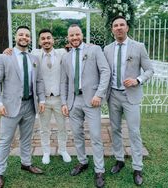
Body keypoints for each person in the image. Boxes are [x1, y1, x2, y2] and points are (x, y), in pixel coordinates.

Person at [0, 26, 45, 188]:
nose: (24, 37)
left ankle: (26, 163)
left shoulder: (34, 59)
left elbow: (39, 81)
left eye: (27, 35)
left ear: (30, 39)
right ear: (16, 37)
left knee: (26, 138)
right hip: (10, 106)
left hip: (30, 105)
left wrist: (41, 100)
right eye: (21, 34)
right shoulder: (4, 57)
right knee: (5, 140)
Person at [104, 16, 154, 186]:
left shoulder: (139, 47)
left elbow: (149, 70)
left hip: (131, 95)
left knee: (134, 131)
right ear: (112, 29)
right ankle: (119, 160)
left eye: (121, 25)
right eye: (115, 25)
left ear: (127, 28)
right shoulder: (107, 49)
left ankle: (138, 167)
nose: (118, 28)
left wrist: (138, 80)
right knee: (116, 129)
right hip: (113, 96)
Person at [60, 24, 110, 188]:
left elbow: (105, 72)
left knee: (95, 136)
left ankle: (99, 170)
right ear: (68, 37)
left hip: (91, 100)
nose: (74, 38)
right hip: (74, 101)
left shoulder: (94, 50)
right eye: (71, 35)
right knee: (77, 134)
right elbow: (64, 82)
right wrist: (64, 103)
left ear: (82, 35)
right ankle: (82, 161)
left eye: (77, 34)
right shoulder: (66, 57)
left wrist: (99, 94)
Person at [31, 28, 71, 164]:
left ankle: (63, 150)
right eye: (43, 38)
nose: (46, 40)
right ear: (39, 41)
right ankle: (46, 152)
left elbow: (78, 49)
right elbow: (19, 51)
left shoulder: (62, 53)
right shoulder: (34, 54)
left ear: (53, 40)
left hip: (59, 98)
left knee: (62, 126)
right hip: (43, 99)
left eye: (48, 38)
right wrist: (10, 50)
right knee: (44, 128)